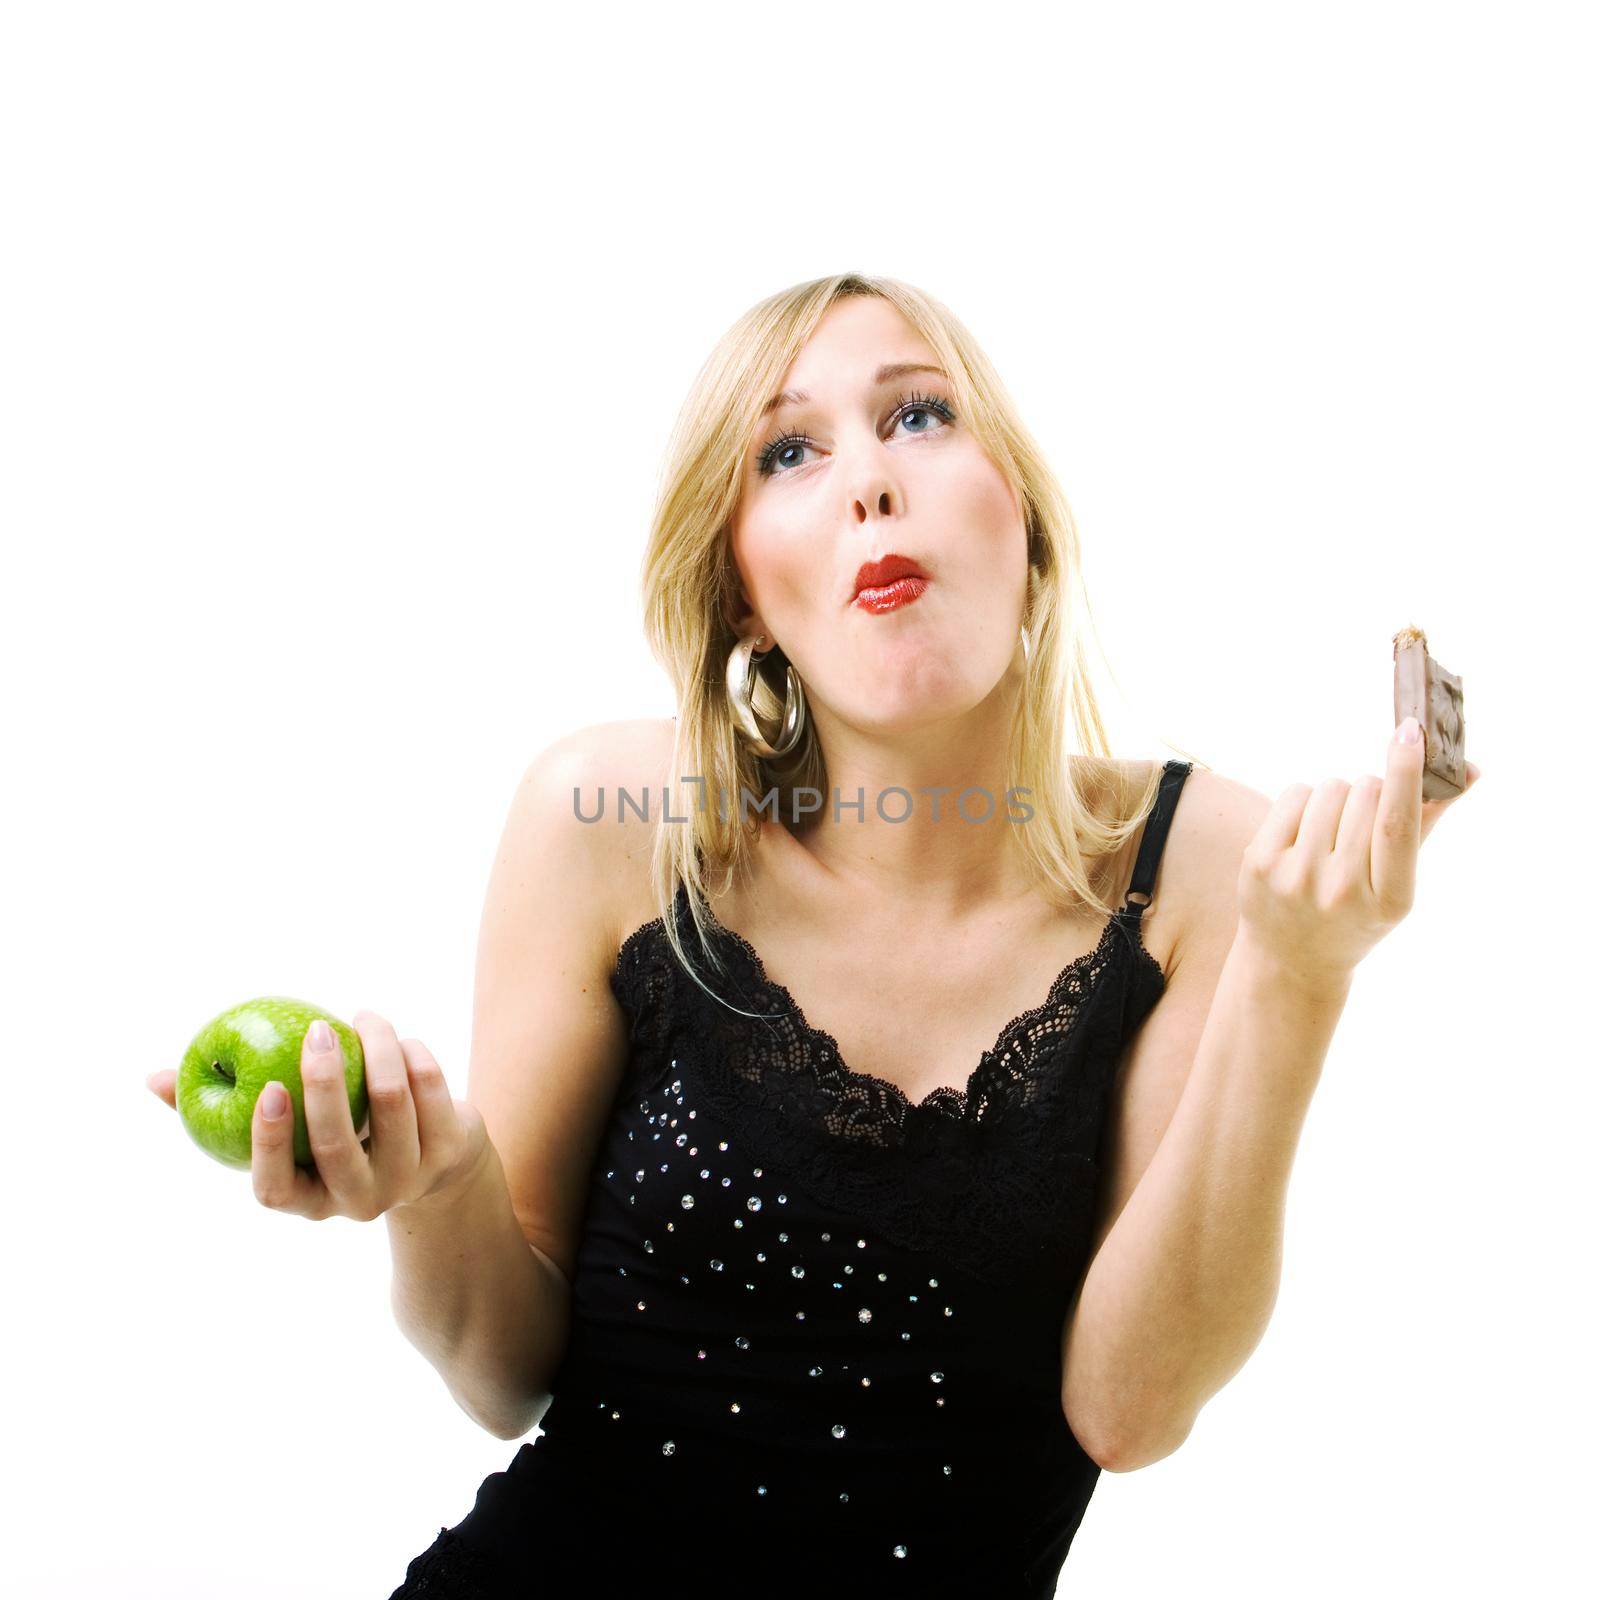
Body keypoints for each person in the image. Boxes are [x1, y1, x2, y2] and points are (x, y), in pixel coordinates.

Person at [149, 272, 1479, 1598]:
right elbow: (502, 1376)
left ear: (1023, 518)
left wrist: (1295, 977)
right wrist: (440, 1191)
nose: (868, 484)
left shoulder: (1196, 865)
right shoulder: (612, 826)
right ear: (745, 594)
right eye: (790, 451)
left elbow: (1128, 1410)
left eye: (918, 418)